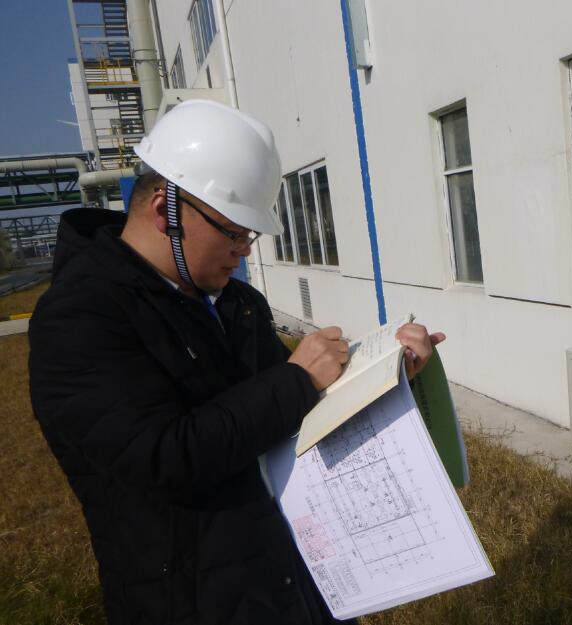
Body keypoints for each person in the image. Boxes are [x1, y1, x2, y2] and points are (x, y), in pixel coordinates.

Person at [28, 99, 444, 625]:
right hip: (194, 599)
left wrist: (382, 375)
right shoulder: (79, 316)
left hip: (296, 578)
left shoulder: (235, 302)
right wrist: (296, 379)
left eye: (250, 235)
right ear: (163, 211)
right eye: (232, 231)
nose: (243, 251)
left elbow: (292, 420)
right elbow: (162, 458)